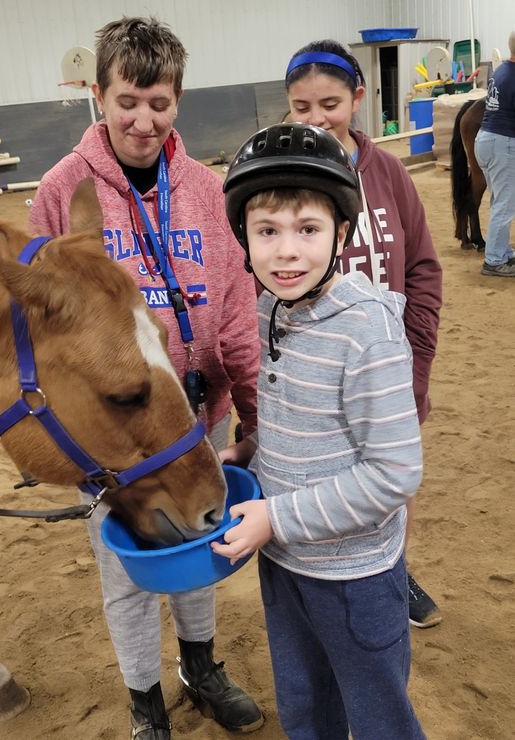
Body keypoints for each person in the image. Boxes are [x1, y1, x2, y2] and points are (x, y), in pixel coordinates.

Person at [29, 16, 263, 740]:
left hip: (197, 413)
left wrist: (246, 406)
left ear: (178, 102)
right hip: (117, 429)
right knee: (124, 567)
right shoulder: (60, 189)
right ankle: (143, 701)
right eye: (128, 100)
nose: (143, 119)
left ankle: (200, 667)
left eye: (159, 103)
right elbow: (47, 322)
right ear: (99, 94)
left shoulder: (202, 187)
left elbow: (232, 305)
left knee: (197, 549)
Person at [217, 122, 426, 739]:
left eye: (307, 230)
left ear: (341, 232)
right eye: (267, 232)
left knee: (378, 715)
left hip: (354, 577)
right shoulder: (269, 308)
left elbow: (392, 473)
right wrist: (251, 449)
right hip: (283, 565)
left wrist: (274, 518)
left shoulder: (368, 333)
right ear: (244, 237)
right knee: (305, 707)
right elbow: (297, 415)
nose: (286, 252)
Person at [278, 39, 443, 628]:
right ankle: (316, 587)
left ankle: (394, 569)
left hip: (386, 370)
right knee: (319, 482)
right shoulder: (284, 175)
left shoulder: (391, 173)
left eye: (330, 103)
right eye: (301, 106)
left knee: (389, 481)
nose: (317, 118)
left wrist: (415, 363)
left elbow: (422, 268)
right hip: (314, 374)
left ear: (358, 98)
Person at [475, 31, 515, 277]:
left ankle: (501, 250)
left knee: (500, 200)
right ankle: (493, 261)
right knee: (504, 203)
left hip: (486, 139)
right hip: (504, 143)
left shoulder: (500, 71)